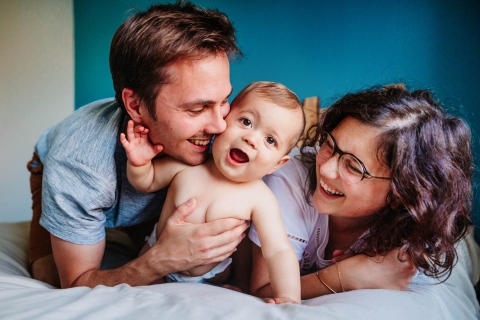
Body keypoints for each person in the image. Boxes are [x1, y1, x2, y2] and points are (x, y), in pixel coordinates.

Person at [27, 1, 250, 289]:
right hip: (59, 167)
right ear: (135, 105)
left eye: (223, 100)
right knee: (49, 273)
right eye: (197, 109)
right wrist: (162, 259)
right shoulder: (78, 164)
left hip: (148, 192)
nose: (220, 126)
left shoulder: (224, 133)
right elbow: (77, 283)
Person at [249, 84, 473, 299]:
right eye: (329, 144)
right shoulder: (290, 175)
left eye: (353, 167)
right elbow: (263, 289)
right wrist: (345, 277)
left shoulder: (415, 231)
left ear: (400, 193)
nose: (325, 169)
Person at [122, 81, 304, 304]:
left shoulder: (260, 198)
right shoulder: (189, 165)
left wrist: (288, 296)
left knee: (232, 287)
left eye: (270, 140)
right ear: (224, 121)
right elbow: (146, 182)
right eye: (246, 121)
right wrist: (139, 164)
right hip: (157, 253)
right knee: (135, 296)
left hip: (212, 275)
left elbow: (278, 250)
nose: (251, 139)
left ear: (278, 163)